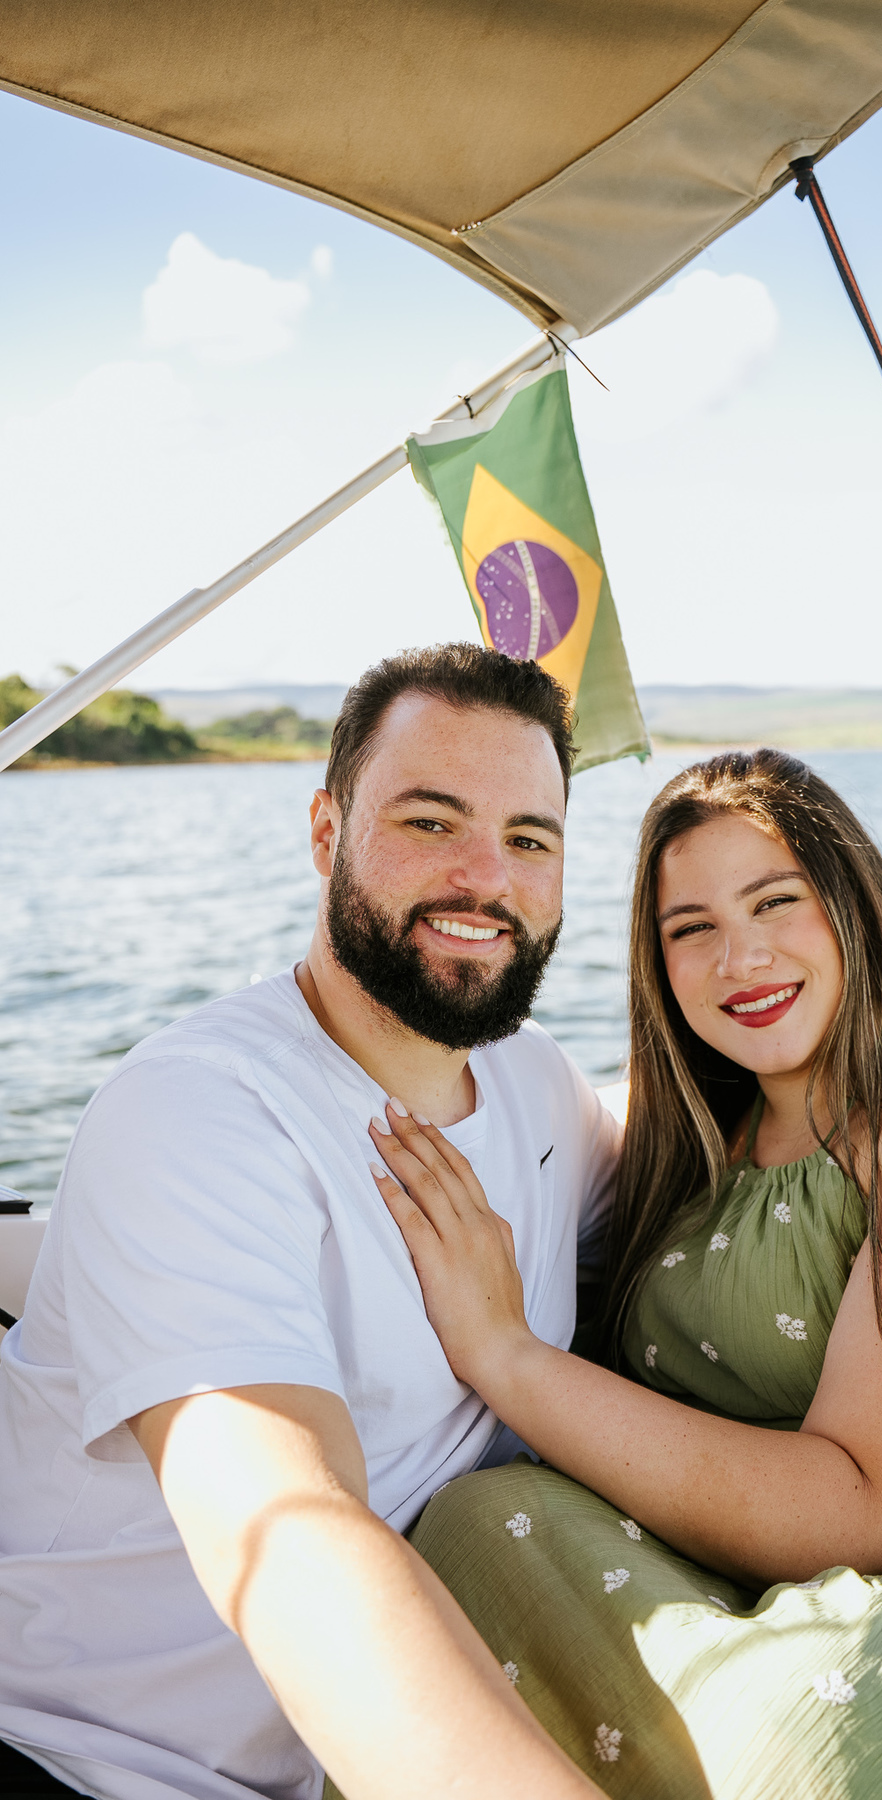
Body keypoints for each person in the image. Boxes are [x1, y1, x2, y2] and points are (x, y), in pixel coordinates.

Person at [370, 747, 882, 1800]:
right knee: (468, 1536)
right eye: (691, 930)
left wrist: (505, 1355)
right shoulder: (686, 1150)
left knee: (817, 1741)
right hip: (755, 1581)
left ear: (855, 908)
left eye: (775, 903)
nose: (741, 958)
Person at [0, 645, 619, 1800]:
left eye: (530, 840)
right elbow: (292, 1535)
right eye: (431, 822)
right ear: (328, 832)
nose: (486, 878)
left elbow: (701, 1180)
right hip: (89, 1761)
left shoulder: (537, 1084)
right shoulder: (199, 1115)